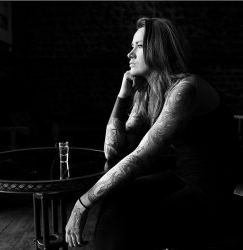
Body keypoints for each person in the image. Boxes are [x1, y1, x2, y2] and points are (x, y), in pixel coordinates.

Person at [65, 17, 241, 249]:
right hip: (181, 177)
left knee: (138, 223)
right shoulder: (149, 90)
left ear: (160, 49)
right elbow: (114, 149)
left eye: (138, 46)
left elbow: (140, 157)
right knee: (117, 197)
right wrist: (122, 96)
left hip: (211, 190)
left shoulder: (185, 88)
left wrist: (81, 204)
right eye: (132, 46)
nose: (130, 54)